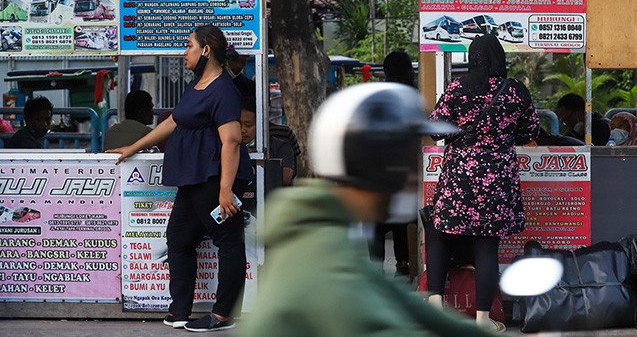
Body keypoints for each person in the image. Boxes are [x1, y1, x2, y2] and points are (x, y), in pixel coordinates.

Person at [241, 83, 492, 337]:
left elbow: (406, 304)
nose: (413, 176)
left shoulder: (325, 232)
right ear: (379, 165)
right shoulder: (330, 270)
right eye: (405, 160)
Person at [109, 24, 252, 332]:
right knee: (179, 238)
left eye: (188, 46)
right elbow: (173, 121)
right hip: (193, 176)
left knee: (227, 241)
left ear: (206, 50)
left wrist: (226, 189)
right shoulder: (196, 84)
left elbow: (231, 140)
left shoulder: (224, 89)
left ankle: (224, 315)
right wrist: (133, 147)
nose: (183, 52)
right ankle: (181, 310)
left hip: (214, 175)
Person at [427, 34, 540, 333]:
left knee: (440, 232)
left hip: (460, 175)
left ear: (473, 57)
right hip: (497, 179)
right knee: (487, 246)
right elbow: (530, 129)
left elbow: (434, 129)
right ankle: (482, 320)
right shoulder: (515, 91)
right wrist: (500, 138)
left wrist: (459, 133)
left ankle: (435, 306)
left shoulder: (458, 88)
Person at [370, 49, 416, 276]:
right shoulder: (417, 94)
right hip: (408, 164)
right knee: (403, 216)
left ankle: (376, 267)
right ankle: (404, 262)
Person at [239, 97, 296, 187]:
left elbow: (285, 178)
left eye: (248, 125)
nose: (243, 130)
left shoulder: (280, 146)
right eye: (238, 125)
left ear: (261, 124)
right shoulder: (230, 146)